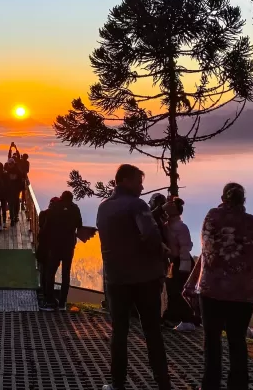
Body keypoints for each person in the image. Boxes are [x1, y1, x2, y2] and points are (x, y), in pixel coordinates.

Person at [184, 182, 253, 390]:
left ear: (223, 198)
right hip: (242, 293)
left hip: (211, 290)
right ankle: (238, 385)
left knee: (212, 340)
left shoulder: (212, 217)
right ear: (242, 200)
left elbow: (207, 246)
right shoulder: (251, 223)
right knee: (237, 340)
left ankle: (209, 385)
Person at [96, 165, 170, 390]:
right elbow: (149, 234)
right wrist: (161, 253)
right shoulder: (137, 205)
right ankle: (163, 382)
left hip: (116, 278)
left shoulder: (103, 208)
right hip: (145, 277)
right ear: (125, 180)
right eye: (138, 182)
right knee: (152, 331)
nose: (142, 186)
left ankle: (117, 383)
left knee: (119, 332)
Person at [41, 191, 83, 311]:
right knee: (66, 273)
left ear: (61, 198)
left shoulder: (55, 208)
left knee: (51, 272)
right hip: (69, 245)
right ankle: (62, 303)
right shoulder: (75, 208)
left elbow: (47, 225)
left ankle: (49, 301)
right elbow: (79, 225)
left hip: (55, 244)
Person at [163, 197, 195, 332]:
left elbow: (185, 248)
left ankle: (188, 320)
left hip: (182, 262)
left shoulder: (180, 227)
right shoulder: (167, 225)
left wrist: (184, 267)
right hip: (174, 262)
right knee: (172, 290)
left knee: (179, 291)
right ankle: (173, 317)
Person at [36, 197, 59, 297]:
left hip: (43, 247)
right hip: (52, 249)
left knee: (43, 270)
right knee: (50, 272)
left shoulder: (43, 214)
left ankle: (43, 291)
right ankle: (48, 294)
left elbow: (40, 227)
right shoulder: (58, 217)